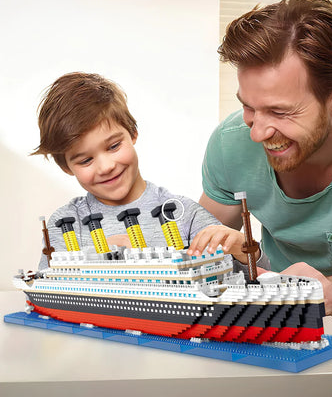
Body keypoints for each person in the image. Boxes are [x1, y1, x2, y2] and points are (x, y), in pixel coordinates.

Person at [188, 0, 332, 359]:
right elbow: (198, 249)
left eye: (280, 112)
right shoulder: (231, 142)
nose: (257, 132)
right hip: (272, 321)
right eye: (249, 107)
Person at [32, 72, 247, 269]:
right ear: (66, 167)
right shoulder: (65, 223)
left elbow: (245, 276)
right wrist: (92, 260)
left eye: (114, 146)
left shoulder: (186, 214)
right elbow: (45, 287)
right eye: (86, 160)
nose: (106, 167)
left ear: (133, 132)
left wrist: (245, 250)